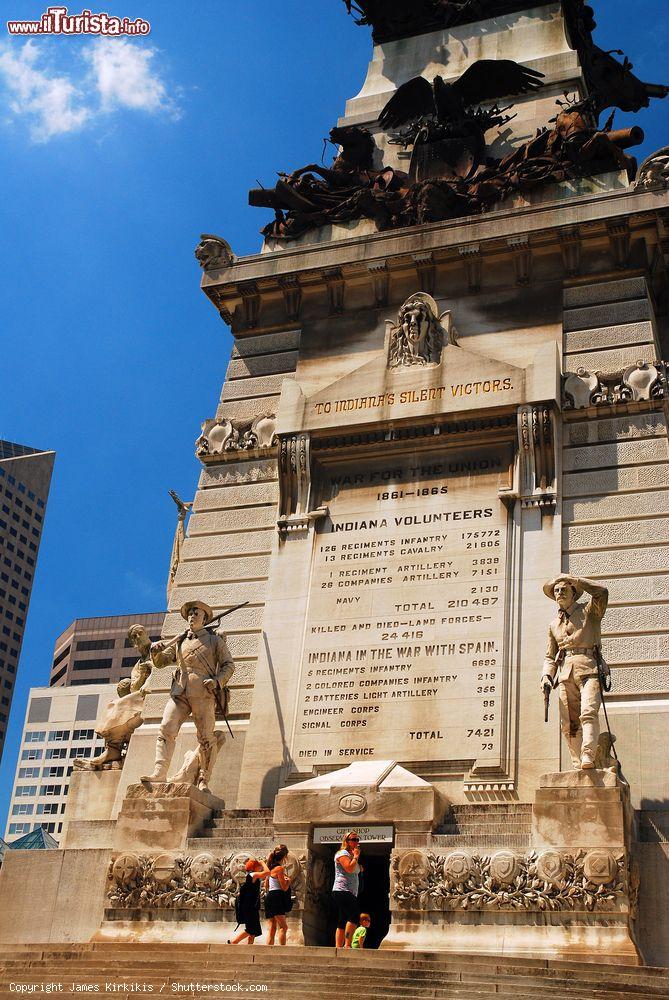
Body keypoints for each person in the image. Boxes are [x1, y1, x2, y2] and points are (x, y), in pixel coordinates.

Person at [140, 600, 234, 792]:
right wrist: (156, 654)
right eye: (190, 613)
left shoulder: (214, 641)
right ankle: (160, 772)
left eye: (196, 613)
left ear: (205, 618)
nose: (192, 616)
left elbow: (228, 665)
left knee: (206, 737)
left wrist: (217, 681)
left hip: (203, 693)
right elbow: (161, 662)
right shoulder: (180, 640)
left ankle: (203, 779)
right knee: (166, 728)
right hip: (180, 691)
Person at [542, 574, 609, 770]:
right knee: (568, 723)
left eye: (564, 589)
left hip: (590, 668)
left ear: (574, 593)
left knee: (588, 713)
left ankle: (588, 755)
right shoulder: (554, 624)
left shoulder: (590, 612)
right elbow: (550, 656)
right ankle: (577, 763)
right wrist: (546, 676)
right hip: (565, 674)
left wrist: (576, 580)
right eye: (556, 590)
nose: (559, 592)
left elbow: (602, 592)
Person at [229, 858, 269, 945]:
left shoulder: (252, 875)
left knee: (253, 931)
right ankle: (233, 942)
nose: (260, 868)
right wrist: (262, 863)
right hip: (249, 907)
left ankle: (249, 946)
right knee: (250, 929)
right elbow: (267, 872)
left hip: (251, 906)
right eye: (258, 866)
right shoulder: (252, 875)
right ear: (255, 867)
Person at [332, 831, 362, 948]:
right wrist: (355, 857)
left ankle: (338, 946)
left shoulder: (350, 854)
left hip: (349, 891)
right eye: (353, 839)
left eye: (357, 839)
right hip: (342, 890)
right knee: (354, 916)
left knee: (342, 918)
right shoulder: (342, 853)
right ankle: (347, 944)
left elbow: (353, 869)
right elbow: (349, 868)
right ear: (347, 841)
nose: (356, 842)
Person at [264, 844, 292, 946]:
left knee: (272, 927)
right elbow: (284, 887)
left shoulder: (270, 868)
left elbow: (265, 885)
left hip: (270, 896)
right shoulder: (279, 869)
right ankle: (282, 949)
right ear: (285, 856)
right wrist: (288, 881)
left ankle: (268, 950)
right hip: (276, 896)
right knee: (283, 927)